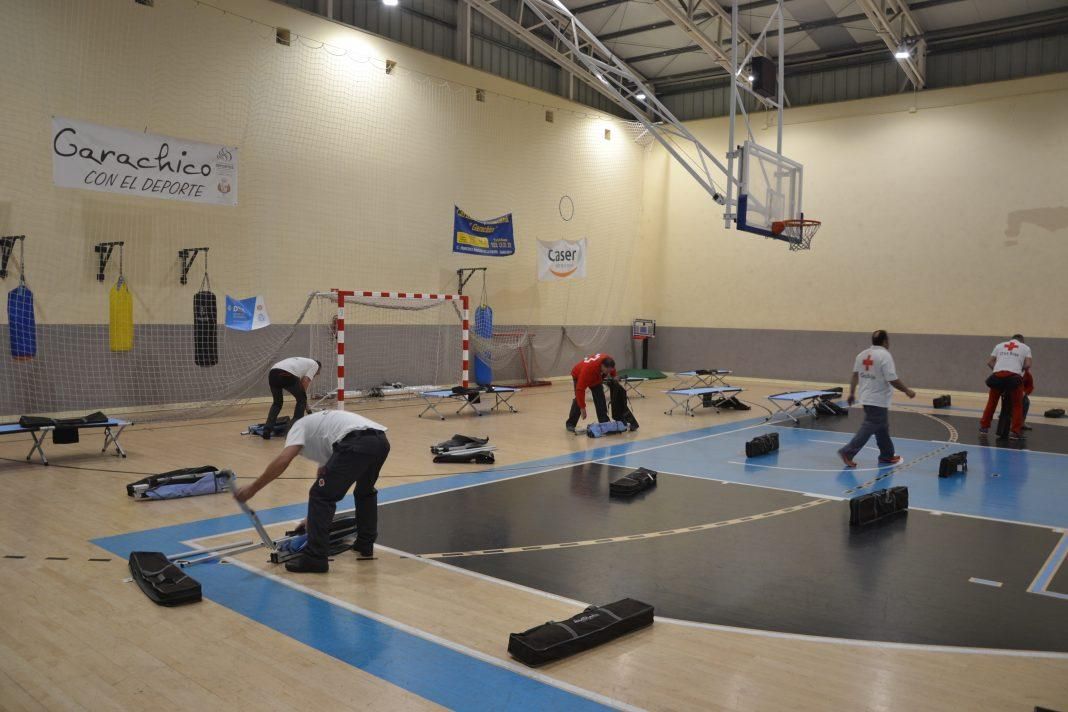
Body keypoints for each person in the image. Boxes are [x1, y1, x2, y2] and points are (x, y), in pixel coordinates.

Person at [235, 409, 390, 573]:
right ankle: (365, 544)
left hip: (356, 443)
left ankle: (315, 558)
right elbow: (323, 476)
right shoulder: (320, 430)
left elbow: (283, 460)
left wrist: (253, 488)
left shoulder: (298, 427)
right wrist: (311, 518)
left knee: (321, 496)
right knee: (364, 492)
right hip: (380, 441)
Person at [837, 330, 916, 468]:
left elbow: (855, 375)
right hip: (877, 399)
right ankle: (847, 452)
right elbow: (892, 379)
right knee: (870, 425)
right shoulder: (885, 356)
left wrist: (852, 393)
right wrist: (907, 390)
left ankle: (887, 455)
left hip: (867, 397)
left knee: (882, 428)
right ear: (885, 341)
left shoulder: (862, 354)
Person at [979, 334, 1032, 440]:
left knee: (991, 403)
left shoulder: (999, 345)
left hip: (998, 376)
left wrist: (997, 370)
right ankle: (1015, 432)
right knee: (1017, 405)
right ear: (1022, 341)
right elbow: (1028, 365)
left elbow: (990, 362)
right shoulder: (1025, 348)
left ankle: (984, 428)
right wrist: (1018, 369)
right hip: (1014, 378)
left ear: (1011, 339)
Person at [263, 357, 321, 439]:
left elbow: (301, 385)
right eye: (317, 373)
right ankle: (292, 431)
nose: (316, 375)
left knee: (277, 403)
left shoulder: (302, 362)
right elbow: (305, 381)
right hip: (286, 373)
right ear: (318, 368)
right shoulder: (315, 365)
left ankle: (267, 430)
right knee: (301, 400)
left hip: (273, 373)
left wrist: (305, 404)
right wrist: (304, 400)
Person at [565, 353, 616, 433]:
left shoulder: (608, 361)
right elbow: (580, 390)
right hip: (578, 374)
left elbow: (612, 370)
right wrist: (582, 408)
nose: (608, 373)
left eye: (610, 370)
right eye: (607, 371)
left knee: (600, 398)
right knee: (578, 399)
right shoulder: (588, 371)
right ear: (602, 366)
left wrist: (614, 376)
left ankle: (604, 421)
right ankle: (570, 424)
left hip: (595, 375)